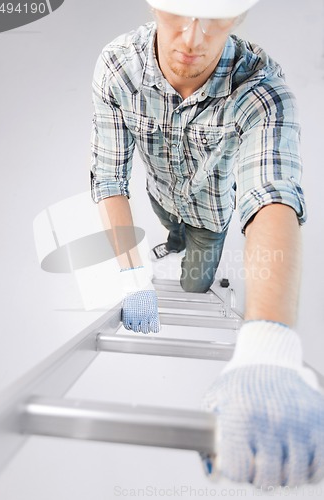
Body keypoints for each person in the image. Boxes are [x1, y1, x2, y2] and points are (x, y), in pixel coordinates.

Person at [90, 0, 324, 489]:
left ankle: (188, 255)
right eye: (177, 11)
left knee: (195, 281)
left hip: (210, 218)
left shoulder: (261, 88)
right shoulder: (117, 67)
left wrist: (268, 344)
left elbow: (271, 193)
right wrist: (133, 278)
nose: (192, 39)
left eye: (214, 16)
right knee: (169, 230)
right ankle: (170, 240)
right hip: (161, 199)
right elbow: (110, 178)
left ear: (240, 15)